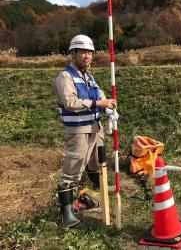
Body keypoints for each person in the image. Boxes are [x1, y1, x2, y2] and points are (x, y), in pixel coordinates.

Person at [54, 34, 116, 227]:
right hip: (78, 132)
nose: (87, 56)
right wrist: (98, 103)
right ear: (73, 54)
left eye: (89, 52)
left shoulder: (89, 77)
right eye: (82, 52)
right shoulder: (65, 77)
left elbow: (100, 94)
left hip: (95, 129)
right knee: (72, 172)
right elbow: (70, 102)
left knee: (97, 165)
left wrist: (108, 107)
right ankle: (67, 216)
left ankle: (94, 196)